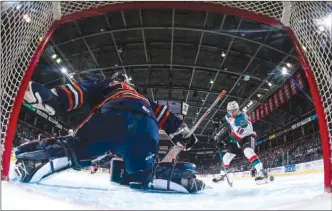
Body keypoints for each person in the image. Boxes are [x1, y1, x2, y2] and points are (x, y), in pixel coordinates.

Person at [14, 71, 203, 193]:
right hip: (147, 127)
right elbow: (166, 115)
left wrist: (54, 98)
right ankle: (179, 178)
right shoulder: (143, 98)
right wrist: (182, 134)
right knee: (141, 172)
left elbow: (82, 90)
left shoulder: (108, 84)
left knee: (78, 148)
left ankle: (37, 161)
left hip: (114, 114)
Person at [212, 101, 266, 183]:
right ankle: (222, 175)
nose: (231, 113)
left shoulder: (242, 119)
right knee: (226, 157)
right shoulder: (229, 116)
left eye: (233, 110)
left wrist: (225, 142)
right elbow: (226, 120)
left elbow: (239, 132)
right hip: (237, 139)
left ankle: (261, 172)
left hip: (247, 136)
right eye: (229, 111)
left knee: (248, 152)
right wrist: (218, 122)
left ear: (238, 109)